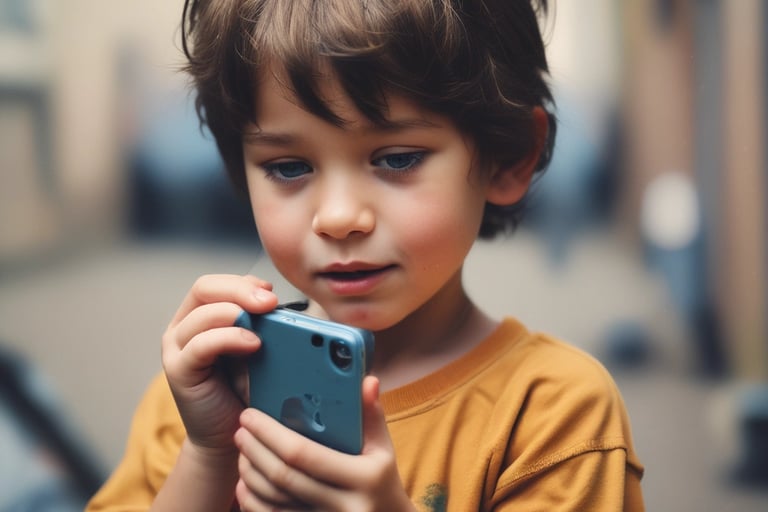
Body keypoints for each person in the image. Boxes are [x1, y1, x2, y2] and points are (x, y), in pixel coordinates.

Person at [87, 0, 645, 510]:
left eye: (397, 159)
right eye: (288, 167)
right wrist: (209, 459)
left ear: (508, 156)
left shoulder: (553, 417)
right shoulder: (200, 394)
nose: (337, 217)